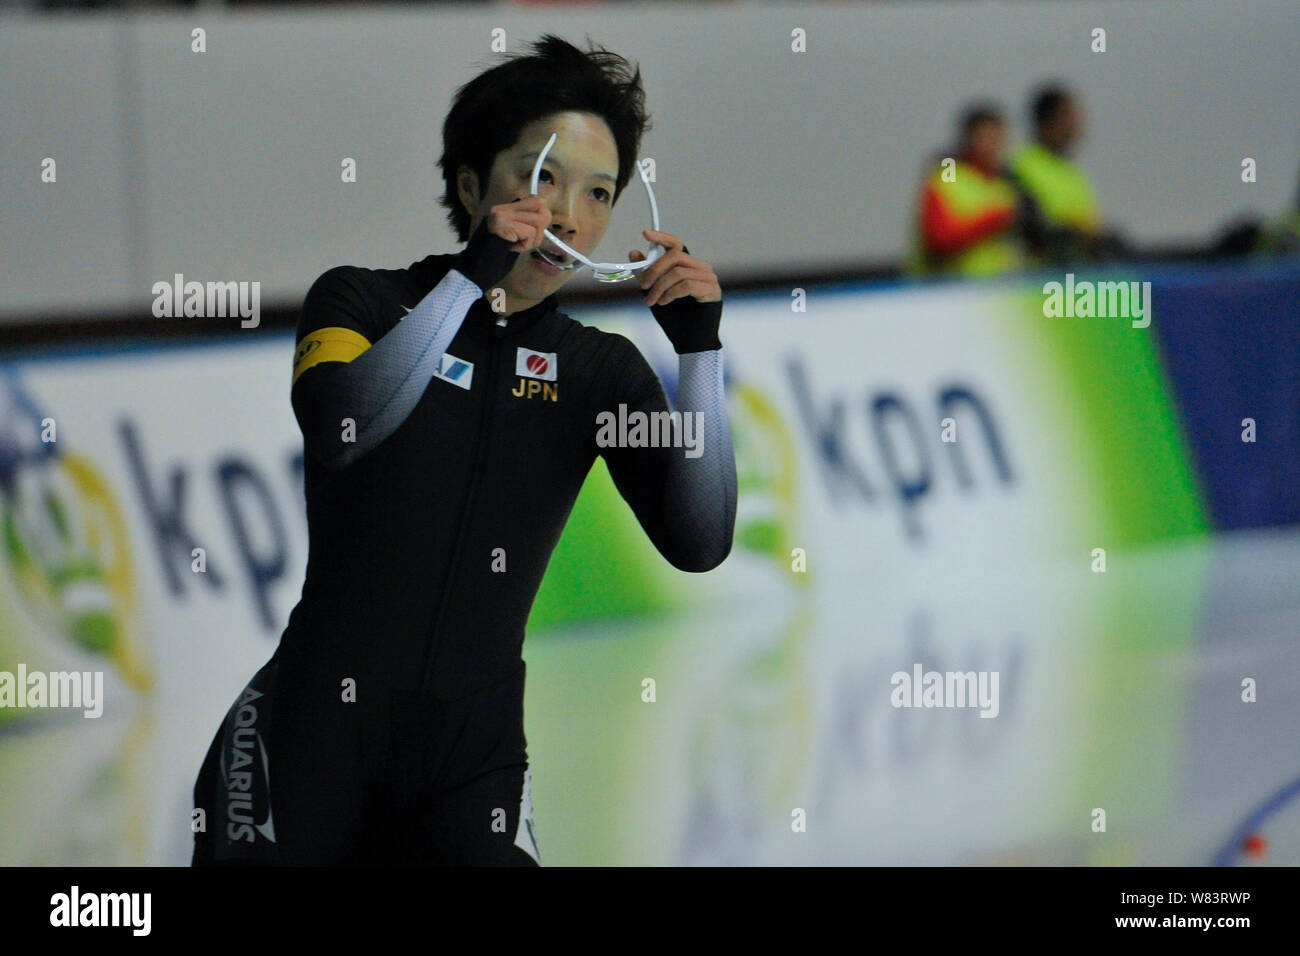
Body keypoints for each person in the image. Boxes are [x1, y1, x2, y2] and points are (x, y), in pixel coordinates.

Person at [192, 34, 737, 866]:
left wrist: (700, 355)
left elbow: (700, 541)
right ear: (471, 184)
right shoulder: (360, 302)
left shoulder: (599, 373)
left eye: (599, 193)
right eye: (542, 175)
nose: (566, 215)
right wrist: (465, 282)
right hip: (306, 742)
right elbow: (342, 429)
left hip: (470, 764)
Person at [1007, 84, 1127, 263]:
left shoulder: (1073, 172)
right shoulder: (1020, 166)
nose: (1076, 125)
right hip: (1040, 279)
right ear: (1046, 121)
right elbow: (1030, 227)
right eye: (1068, 117)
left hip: (1077, 277)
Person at [908, 104, 1027, 277]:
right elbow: (940, 239)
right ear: (968, 139)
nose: (993, 145)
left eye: (997, 138)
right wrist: (994, 220)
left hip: (997, 285)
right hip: (952, 287)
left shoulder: (1005, 183)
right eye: (986, 138)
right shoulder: (948, 175)